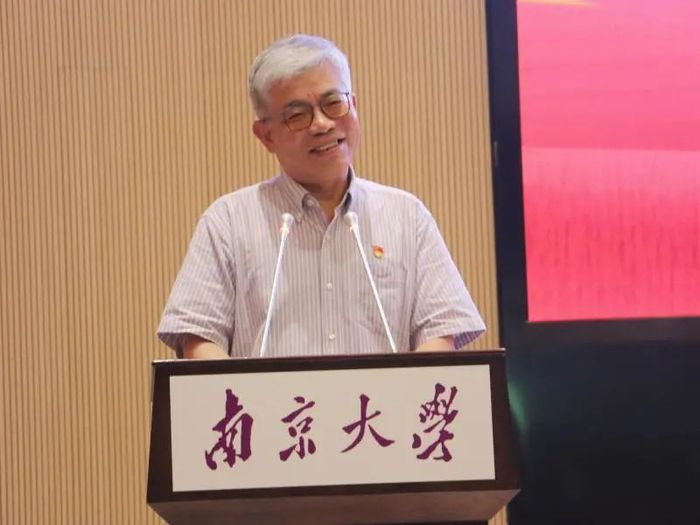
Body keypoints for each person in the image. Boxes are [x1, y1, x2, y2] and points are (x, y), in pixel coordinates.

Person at [157, 34, 485, 359]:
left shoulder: (407, 216)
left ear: (354, 106)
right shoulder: (227, 221)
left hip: (382, 399)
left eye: (333, 103)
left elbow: (441, 331)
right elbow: (198, 337)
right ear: (266, 135)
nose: (323, 124)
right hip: (271, 398)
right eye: (297, 115)